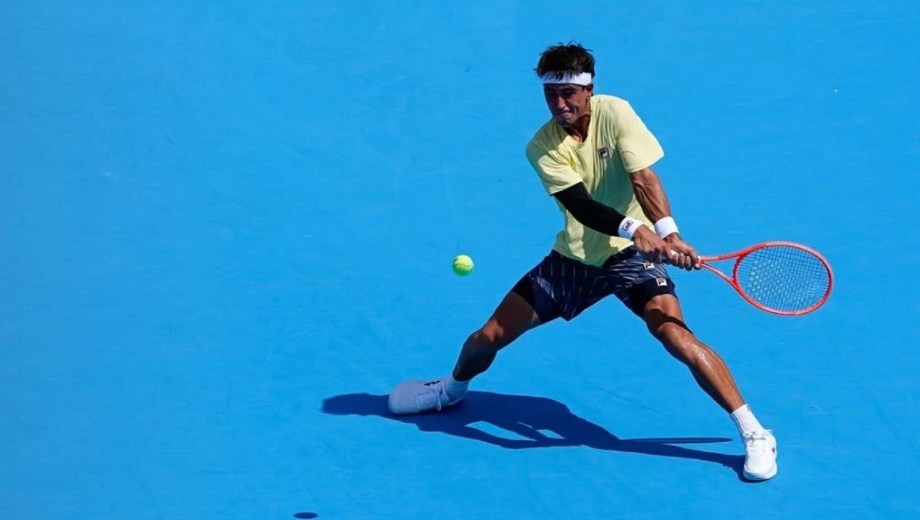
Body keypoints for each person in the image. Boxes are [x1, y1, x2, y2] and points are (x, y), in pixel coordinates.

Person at [387, 43, 777, 481]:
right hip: (573, 260)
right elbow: (581, 206)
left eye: (568, 93)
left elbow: (643, 178)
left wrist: (668, 233)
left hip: (630, 258)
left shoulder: (616, 112)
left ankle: (755, 432)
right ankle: (451, 388)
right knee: (487, 338)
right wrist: (635, 228)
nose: (559, 104)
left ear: (589, 90)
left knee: (674, 334)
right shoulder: (542, 146)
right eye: (550, 94)